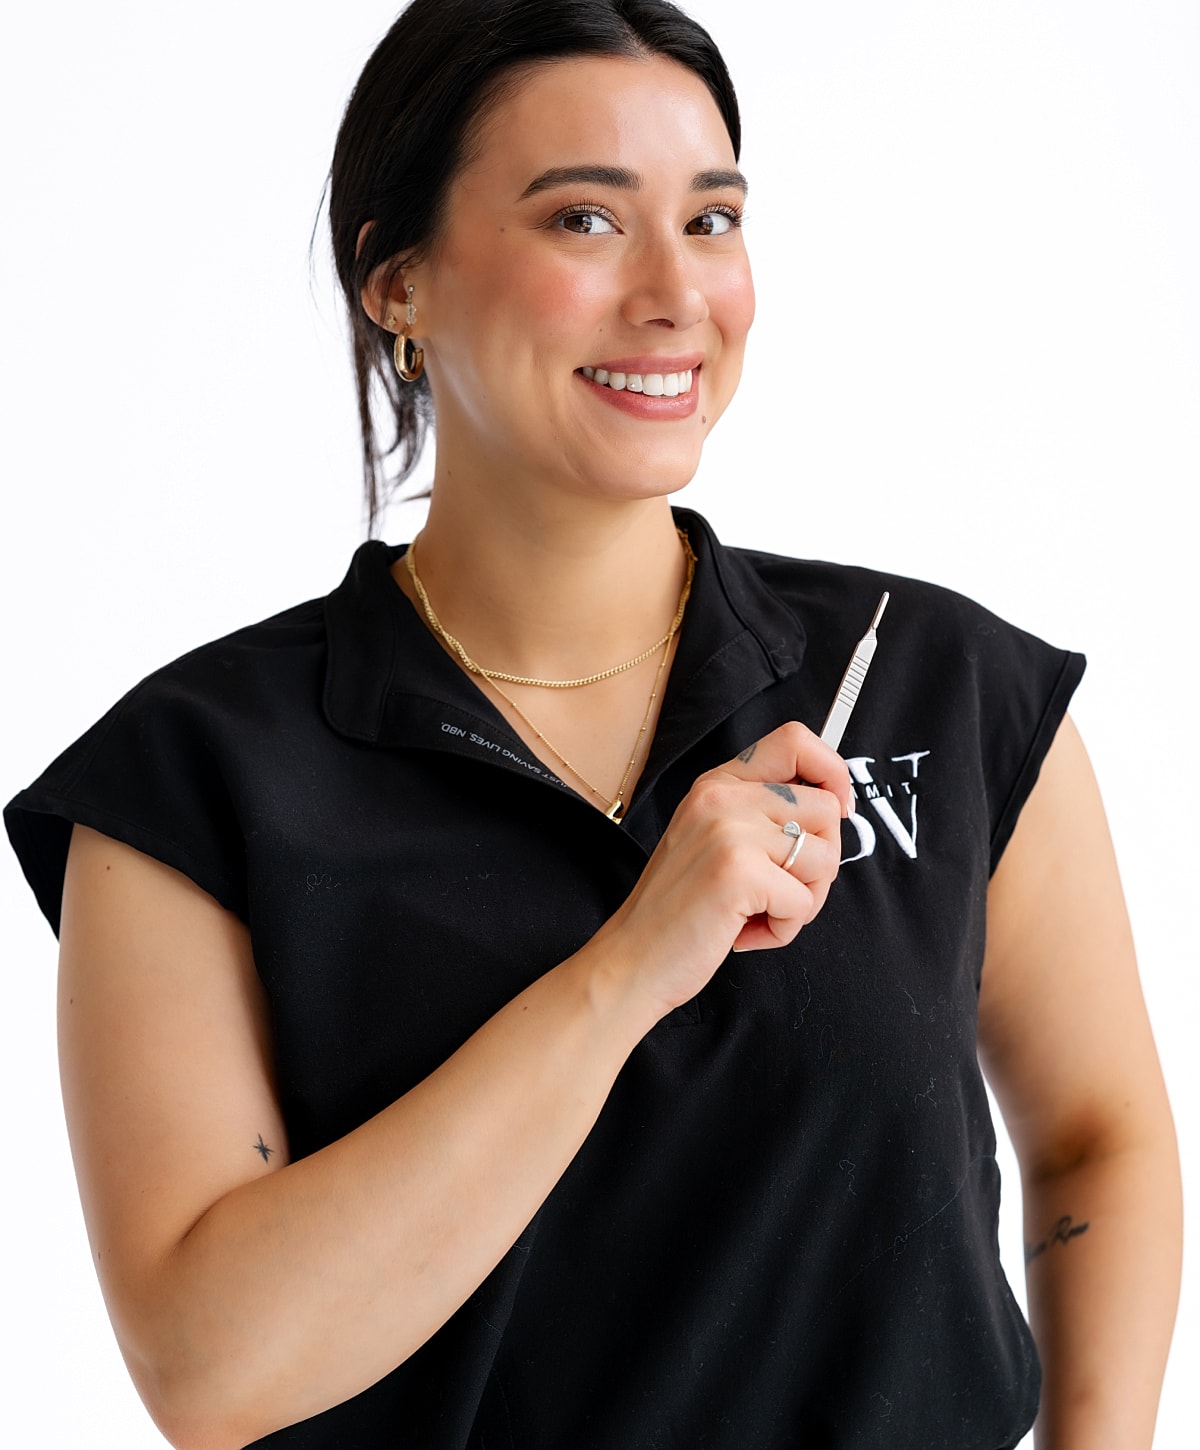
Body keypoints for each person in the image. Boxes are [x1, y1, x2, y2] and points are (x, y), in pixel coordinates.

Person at [4, 0, 1182, 1446]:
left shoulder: (943, 685)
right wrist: (630, 963)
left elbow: (1097, 1143)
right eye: (583, 220)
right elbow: (210, 1364)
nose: (677, 291)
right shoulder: (195, 783)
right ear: (397, 281)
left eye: (714, 218)